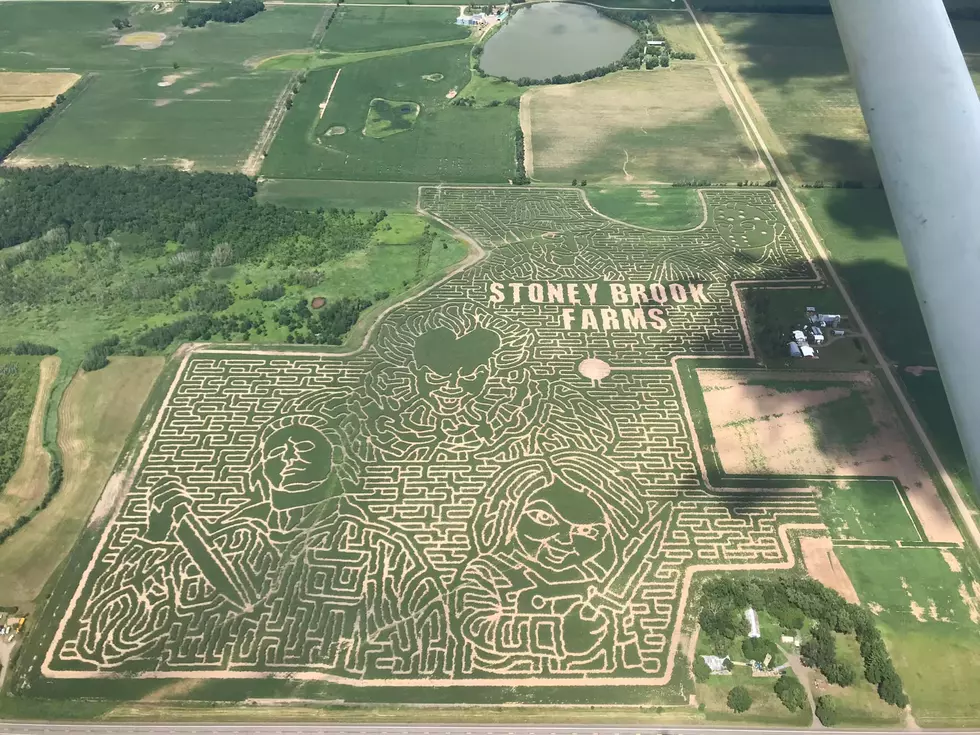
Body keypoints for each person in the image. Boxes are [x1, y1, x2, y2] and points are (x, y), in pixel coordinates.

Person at [455, 451, 671, 676]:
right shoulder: (487, 571)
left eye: (586, 530)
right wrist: (555, 634)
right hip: (511, 677)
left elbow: (624, 642)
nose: (564, 540)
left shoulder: (595, 578)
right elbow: (477, 625)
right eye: (544, 518)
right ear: (510, 515)